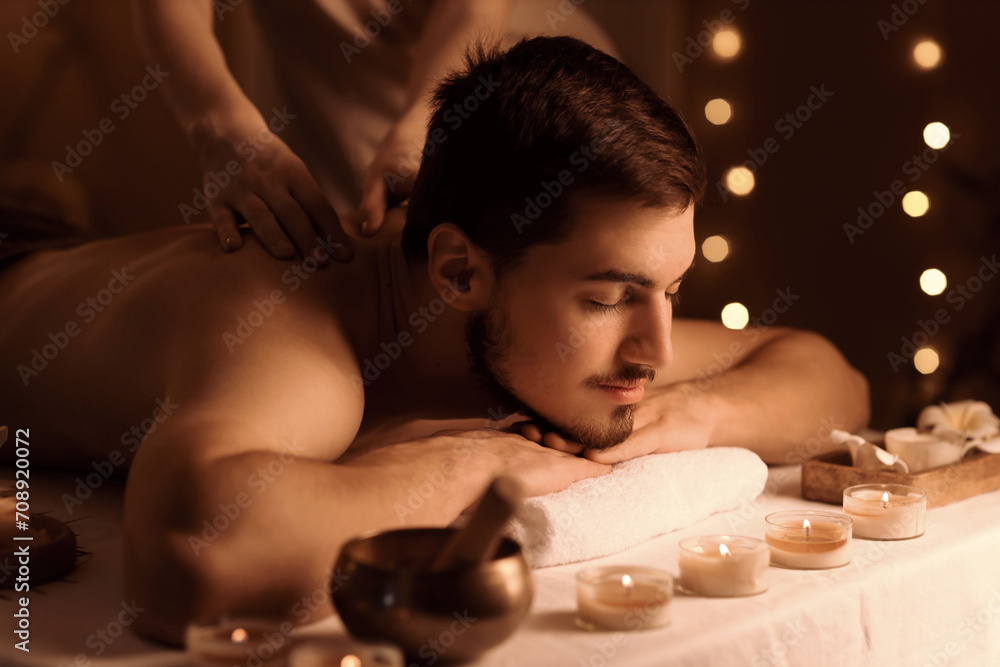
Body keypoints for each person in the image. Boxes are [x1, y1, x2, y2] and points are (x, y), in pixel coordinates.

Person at [0, 37, 869, 644]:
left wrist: (690, 418)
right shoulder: (300, 333)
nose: (658, 349)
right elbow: (192, 560)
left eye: (669, 291)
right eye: (610, 298)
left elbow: (827, 374)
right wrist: (479, 469)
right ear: (458, 273)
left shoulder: (542, 307)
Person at [131, 0, 516, 259]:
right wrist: (220, 125)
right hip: (331, 154)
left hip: (485, 124)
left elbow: (470, 10)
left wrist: (426, 129)